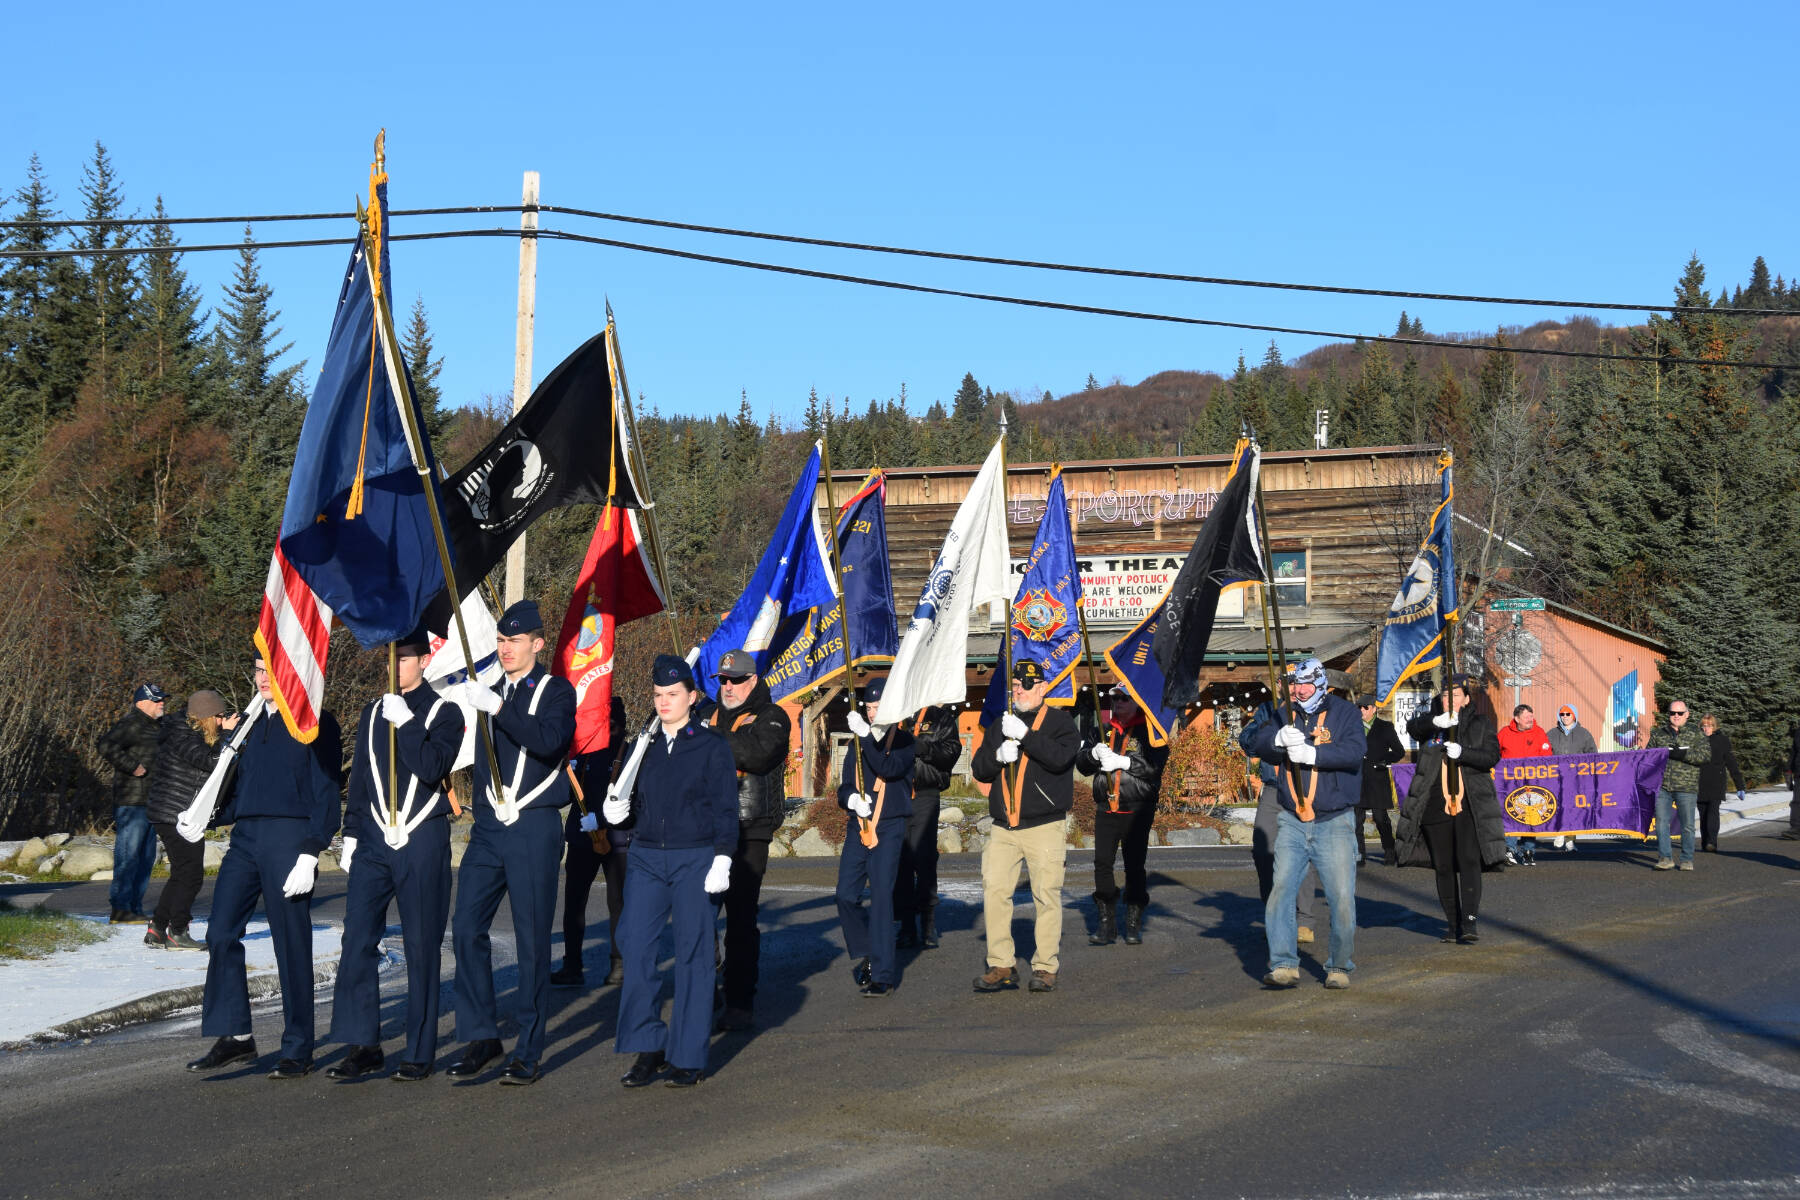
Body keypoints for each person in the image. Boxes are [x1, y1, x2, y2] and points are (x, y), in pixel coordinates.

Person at [186, 658, 342, 1078]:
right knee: (220, 932)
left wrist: (312, 851)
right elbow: (240, 791)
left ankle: (298, 1047)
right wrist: (206, 816)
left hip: (289, 838)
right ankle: (236, 1037)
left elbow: (327, 792)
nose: (262, 677)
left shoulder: (315, 722)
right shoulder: (250, 724)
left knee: (291, 942)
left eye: (270, 666)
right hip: (246, 839)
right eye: (257, 668)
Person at [448, 600, 577, 1085]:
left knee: (531, 940)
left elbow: (549, 742)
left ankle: (529, 1047)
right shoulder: (488, 692)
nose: (505, 649)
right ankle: (482, 1034)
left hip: (532, 827)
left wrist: (500, 708)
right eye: (500, 641)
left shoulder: (555, 692)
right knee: (464, 929)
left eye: (515, 641)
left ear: (537, 644)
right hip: (488, 829)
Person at [326, 630, 465, 1082]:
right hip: (373, 840)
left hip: (421, 838)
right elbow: (362, 778)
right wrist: (350, 833)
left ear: (424, 661)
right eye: (391, 658)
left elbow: (431, 768)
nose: (396, 666)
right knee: (356, 940)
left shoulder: (445, 712)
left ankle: (420, 1050)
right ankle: (362, 1043)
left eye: (404, 658)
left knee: (421, 944)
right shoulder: (372, 711)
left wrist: (406, 723)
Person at [611, 655, 739, 1089]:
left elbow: (726, 807)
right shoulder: (641, 746)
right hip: (647, 856)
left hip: (695, 856)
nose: (664, 702)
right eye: (658, 695)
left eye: (672, 695)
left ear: (692, 697)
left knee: (694, 953)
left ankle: (687, 1055)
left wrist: (724, 855)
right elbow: (632, 802)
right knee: (633, 943)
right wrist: (616, 813)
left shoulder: (711, 745)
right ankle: (649, 1046)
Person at [1249, 658, 1366, 989]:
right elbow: (1258, 743)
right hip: (1291, 819)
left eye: (1306, 685)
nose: (1299, 691)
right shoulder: (1285, 712)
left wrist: (1314, 755)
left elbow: (1355, 751)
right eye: (1295, 685)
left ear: (1322, 685)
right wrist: (1277, 741)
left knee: (1341, 897)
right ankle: (1285, 963)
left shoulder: (1345, 713)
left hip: (1335, 821)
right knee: (1281, 892)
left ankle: (1340, 966)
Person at [694, 649, 792, 1034]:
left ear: (753, 681)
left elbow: (756, 753)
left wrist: (704, 736)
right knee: (698, 915)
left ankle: (739, 1000)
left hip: (749, 828)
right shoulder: (704, 713)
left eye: (737, 680)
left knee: (740, 917)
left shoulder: (773, 716)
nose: (729, 687)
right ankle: (707, 985)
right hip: (703, 828)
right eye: (723, 680)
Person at [969, 660, 1081, 994]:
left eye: (1027, 686)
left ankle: (1046, 966)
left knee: (1046, 895)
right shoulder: (1001, 723)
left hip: (1044, 825)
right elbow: (979, 769)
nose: (1020, 691)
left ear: (1043, 688)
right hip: (1004, 826)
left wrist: (1027, 737)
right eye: (1016, 685)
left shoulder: (1061, 722)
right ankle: (1001, 963)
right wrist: (998, 757)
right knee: (995, 891)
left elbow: (1061, 758)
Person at [1395, 676, 1505, 944]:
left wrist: (1464, 752)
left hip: (1470, 805)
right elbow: (1413, 728)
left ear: (1467, 699)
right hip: (1434, 803)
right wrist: (1435, 722)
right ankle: (1451, 923)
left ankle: (1469, 923)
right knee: (1443, 866)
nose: (1450, 700)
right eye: (1445, 695)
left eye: (1456, 695)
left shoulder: (1481, 724)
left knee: (1468, 861)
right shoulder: (1431, 724)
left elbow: (1492, 756)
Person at [836, 675, 916, 996]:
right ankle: (869, 949)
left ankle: (882, 974)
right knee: (845, 894)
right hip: (859, 825)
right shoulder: (858, 741)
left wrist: (867, 737)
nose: (871, 712)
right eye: (868, 706)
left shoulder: (904, 740)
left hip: (890, 826)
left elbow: (889, 767)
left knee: (882, 897)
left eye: (877, 706)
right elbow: (844, 784)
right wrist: (851, 799)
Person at [144, 690, 241, 951]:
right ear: (207, 716)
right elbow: (211, 762)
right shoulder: (180, 734)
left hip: (179, 813)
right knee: (192, 874)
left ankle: (157, 926)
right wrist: (229, 735)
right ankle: (178, 931)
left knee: (182, 872)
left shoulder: (191, 732)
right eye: (220, 717)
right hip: (174, 814)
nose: (222, 722)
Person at [1079, 686, 1169, 946]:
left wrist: (1124, 762)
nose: (1117, 702)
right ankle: (1107, 922)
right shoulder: (1101, 731)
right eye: (1114, 698)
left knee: (1134, 866)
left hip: (1137, 806)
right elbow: (1081, 765)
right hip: (1106, 805)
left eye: (1123, 698)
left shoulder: (1150, 731)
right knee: (1102, 864)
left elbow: (1155, 767)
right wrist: (1092, 754)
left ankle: (1133, 919)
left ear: (1137, 701)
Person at [552, 695, 630, 989]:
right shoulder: (582, 751)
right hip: (583, 836)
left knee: (618, 904)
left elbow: (632, 798)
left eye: (610, 722)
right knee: (574, 903)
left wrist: (603, 819)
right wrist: (566, 767)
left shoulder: (628, 751)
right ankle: (572, 966)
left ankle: (619, 965)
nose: (605, 727)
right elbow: (569, 792)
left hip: (617, 838)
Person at [1240, 699, 1321, 943]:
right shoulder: (1267, 708)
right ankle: (1274, 915)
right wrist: (1270, 728)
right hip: (1274, 789)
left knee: (1301, 852)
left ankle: (1304, 920)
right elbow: (1247, 744)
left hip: (1303, 786)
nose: (1296, 690)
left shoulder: (1315, 711)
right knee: (1263, 852)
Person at [96, 683, 168, 924]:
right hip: (132, 802)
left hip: (152, 801)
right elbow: (105, 745)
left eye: (162, 699)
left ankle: (135, 908)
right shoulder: (132, 724)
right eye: (157, 700)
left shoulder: (158, 727)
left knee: (146, 858)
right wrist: (132, 766)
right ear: (141, 703)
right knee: (128, 856)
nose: (162, 703)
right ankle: (120, 909)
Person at [895, 703, 961, 950]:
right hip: (896, 794)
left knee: (923, 858)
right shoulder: (896, 712)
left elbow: (952, 752)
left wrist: (924, 747)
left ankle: (928, 924)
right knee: (900, 861)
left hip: (925, 793)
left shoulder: (940, 717)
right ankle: (906, 925)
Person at [1645, 699, 1710, 871]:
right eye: (1672, 713)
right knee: (1661, 823)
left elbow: (1705, 756)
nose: (1676, 716)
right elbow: (1648, 755)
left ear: (1687, 715)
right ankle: (1665, 858)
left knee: (1687, 825)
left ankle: (1687, 859)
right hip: (1663, 786)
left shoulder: (1696, 734)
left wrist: (1684, 754)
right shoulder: (1659, 734)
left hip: (1686, 786)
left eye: (1680, 713)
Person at [1497, 704, 1552, 865]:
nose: (1530, 719)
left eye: (1531, 716)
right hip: (1511, 783)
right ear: (1517, 719)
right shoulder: (1504, 733)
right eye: (1527, 716)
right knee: (1513, 814)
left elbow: (1547, 756)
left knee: (1531, 816)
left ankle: (1529, 849)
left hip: (1533, 784)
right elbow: (1494, 753)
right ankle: (1510, 849)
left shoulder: (1539, 732)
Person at [1354, 694, 1405, 867]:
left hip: (1377, 778)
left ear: (1374, 709)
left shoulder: (1385, 727)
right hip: (1358, 778)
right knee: (1357, 820)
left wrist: (1385, 760)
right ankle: (1360, 854)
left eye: (1365, 707)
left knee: (1380, 818)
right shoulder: (1353, 727)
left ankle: (1389, 850)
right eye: (1359, 707)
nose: (1362, 710)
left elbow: (1399, 751)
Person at [1545, 702, 1597, 851]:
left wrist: (1590, 774)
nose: (1565, 717)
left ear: (1574, 715)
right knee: (1559, 806)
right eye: (1562, 714)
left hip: (1577, 778)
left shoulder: (1584, 734)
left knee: (1573, 808)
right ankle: (1560, 832)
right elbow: (1544, 754)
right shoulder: (1551, 734)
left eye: (1568, 714)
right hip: (1557, 777)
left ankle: (1570, 838)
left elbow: (1592, 754)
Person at [1695, 714, 1745, 854]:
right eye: (1704, 725)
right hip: (1699, 783)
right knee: (1703, 814)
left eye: (1709, 725)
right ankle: (1705, 841)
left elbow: (1731, 762)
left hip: (1716, 782)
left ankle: (1712, 842)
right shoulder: (1696, 740)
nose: (1706, 728)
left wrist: (1739, 785)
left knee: (1713, 812)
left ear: (1714, 726)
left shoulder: (1722, 740)